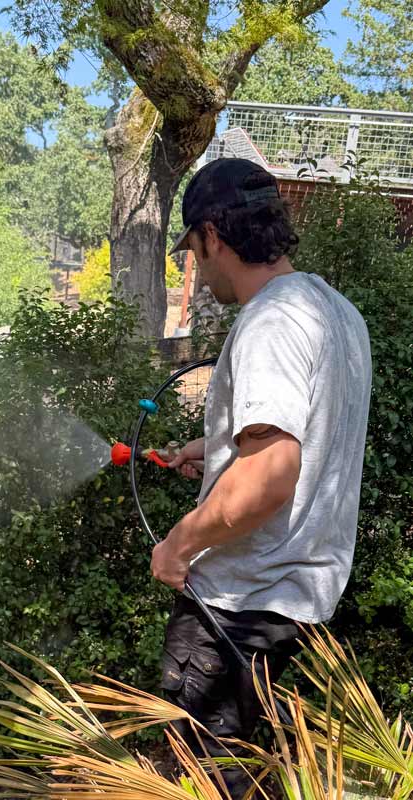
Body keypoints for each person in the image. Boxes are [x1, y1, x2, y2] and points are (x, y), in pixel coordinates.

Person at [151, 158, 372, 797]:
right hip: (294, 606)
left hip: (236, 607)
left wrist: (179, 544)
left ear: (214, 234)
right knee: (258, 771)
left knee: (206, 780)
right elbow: (308, 439)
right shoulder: (336, 313)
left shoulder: (270, 321)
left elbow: (271, 477)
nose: (198, 265)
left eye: (193, 248)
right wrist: (216, 446)